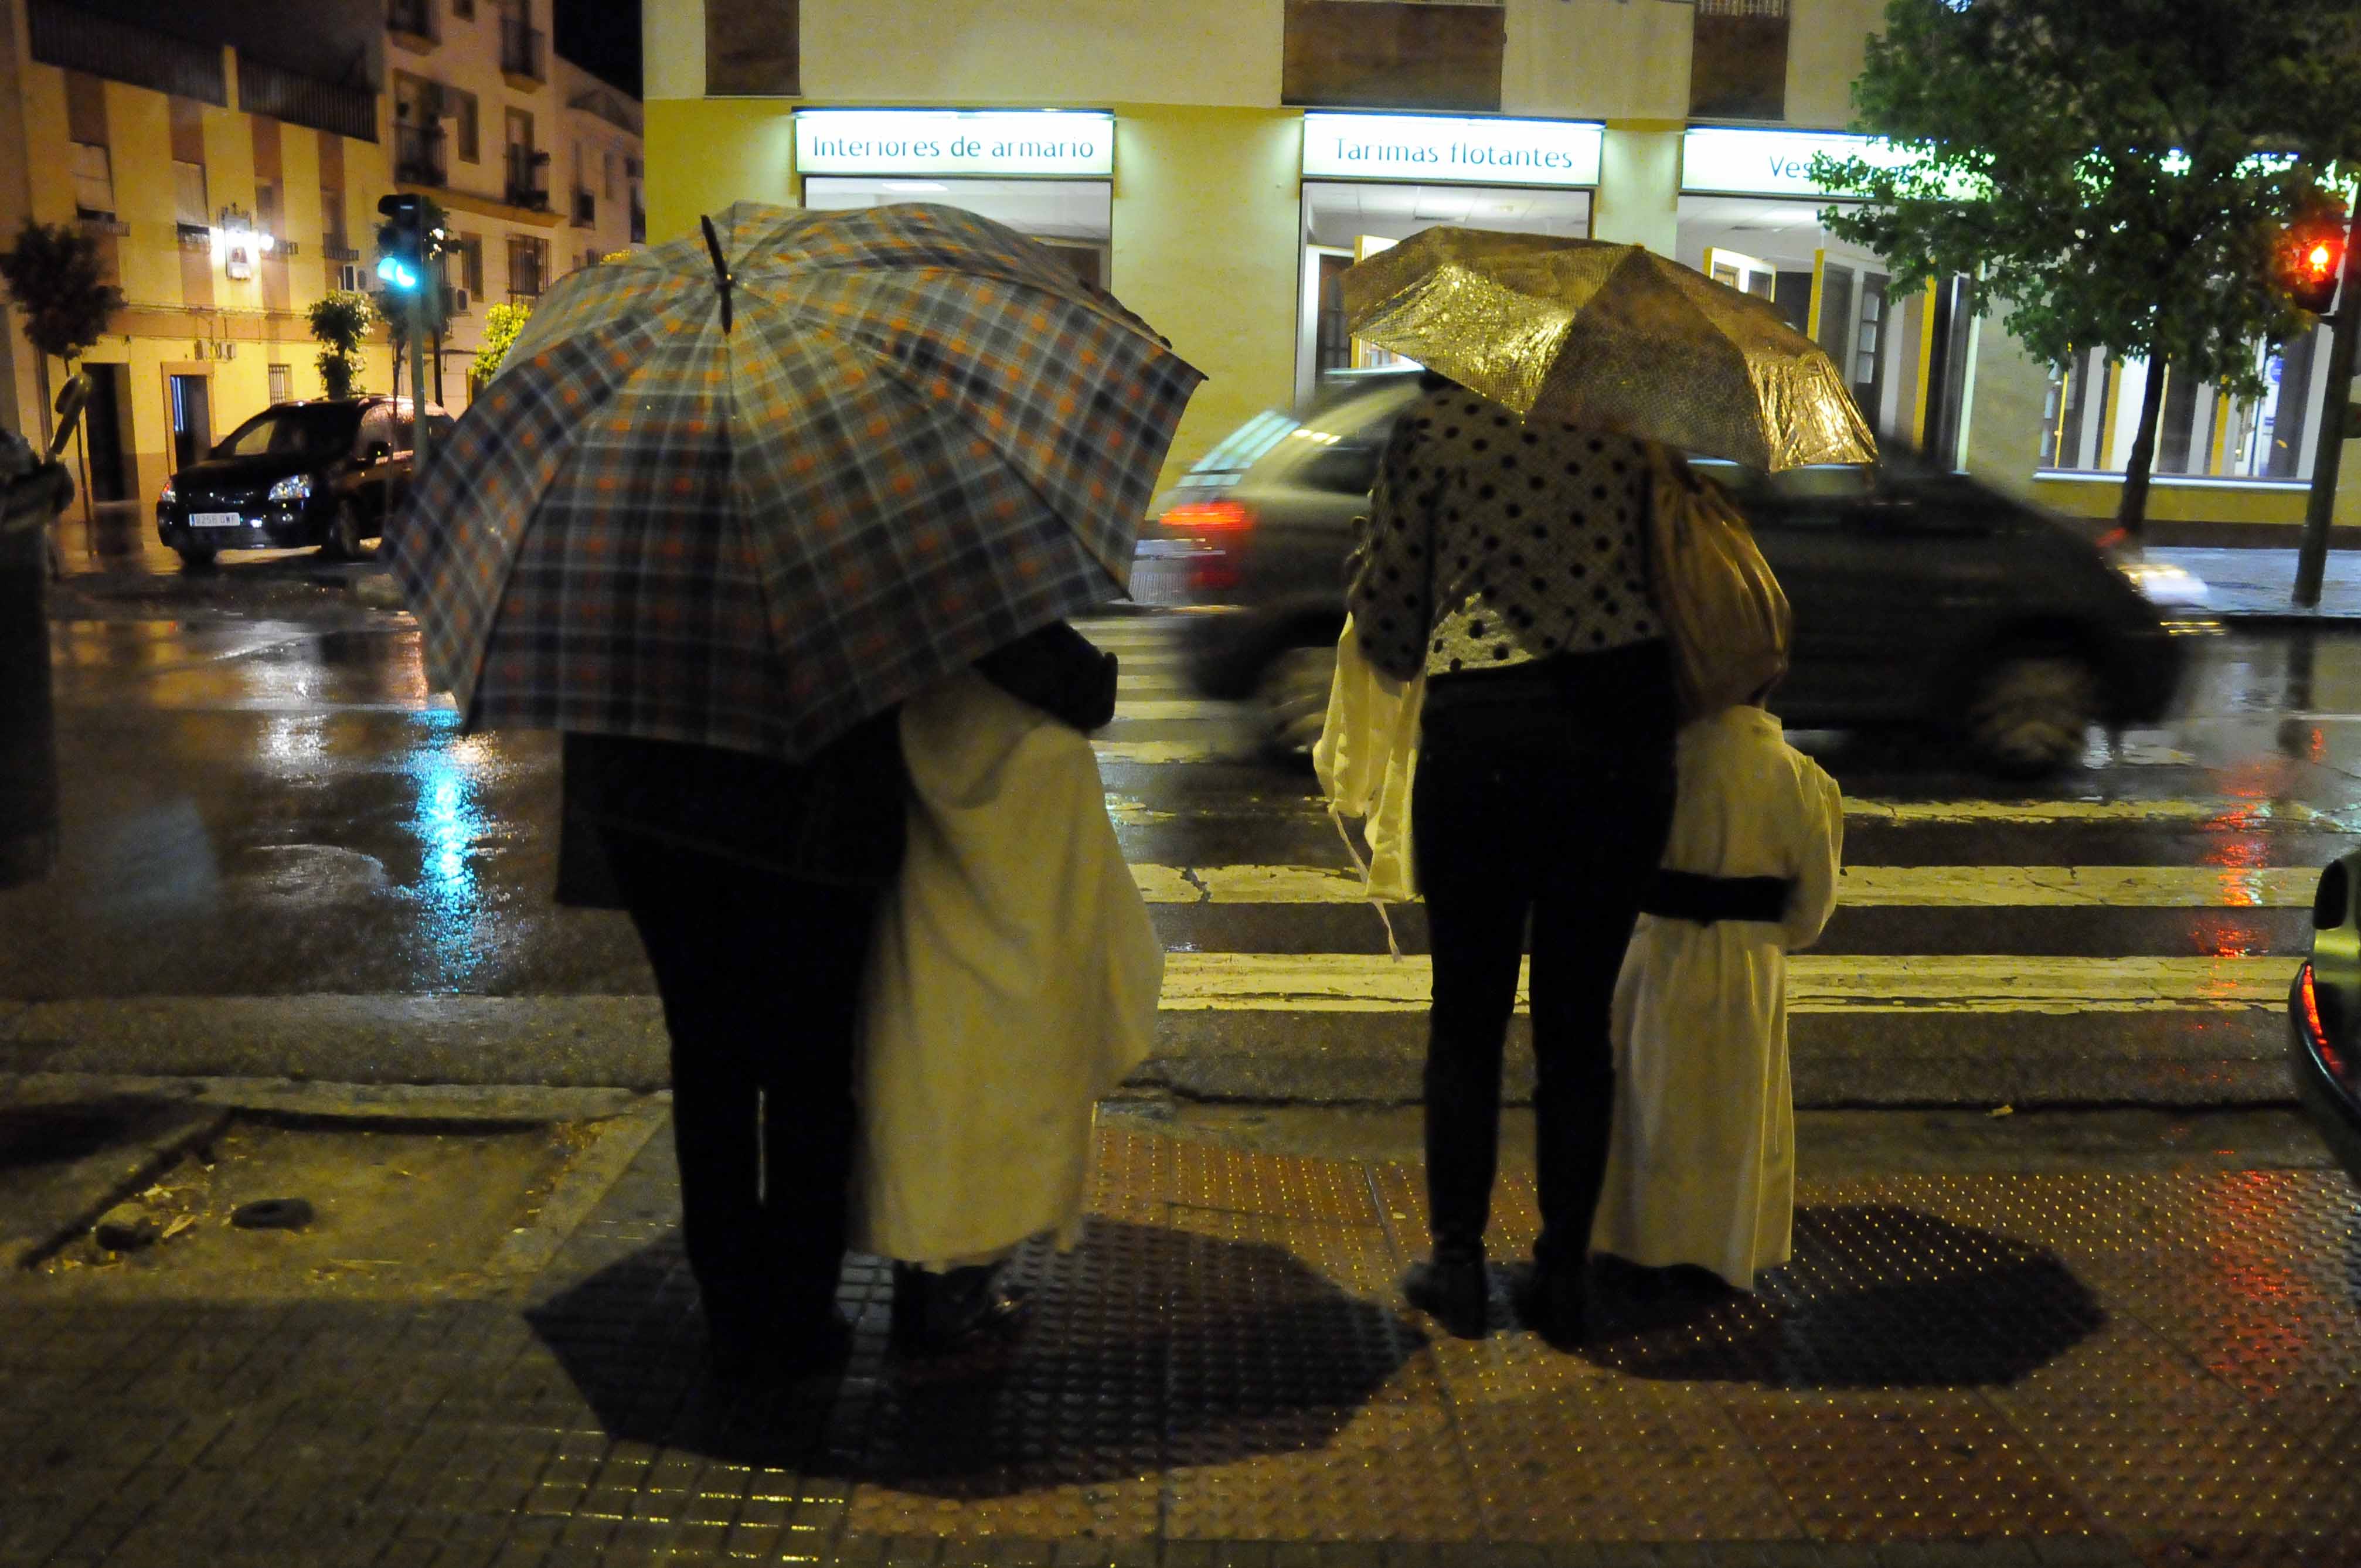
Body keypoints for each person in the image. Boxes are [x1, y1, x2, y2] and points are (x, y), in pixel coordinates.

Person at [556, 621, 1122, 1379]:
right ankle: (795, 1316)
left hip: (648, 803)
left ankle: (733, 1311)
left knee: (710, 1059)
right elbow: (974, 618)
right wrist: (1082, 678)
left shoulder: (624, 514)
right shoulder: (837, 515)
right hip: (802, 813)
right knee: (809, 1070)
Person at [1347, 371, 1677, 1348]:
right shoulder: (1630, 420)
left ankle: (1455, 1270)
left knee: (1467, 1017)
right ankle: (1563, 1278)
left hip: (1485, 735)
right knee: (1577, 1025)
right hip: (1622, 733)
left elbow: (1390, 622)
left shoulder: (1436, 421)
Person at [852, 621, 1161, 1353]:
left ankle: (927, 1276)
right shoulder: (1000, 627)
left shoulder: (880, 637)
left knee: (927, 1071)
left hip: (923, 888)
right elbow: (1082, 685)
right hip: (1014, 888)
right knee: (999, 1072)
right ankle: (953, 1292)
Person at [1593, 693, 1843, 1295]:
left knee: (1651, 1105)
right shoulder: (1800, 777)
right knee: (1732, 1110)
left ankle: (1637, 1241)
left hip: (1656, 952)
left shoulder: (1649, 763)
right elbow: (1809, 913)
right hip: (1746, 964)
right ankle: (1721, 1249)